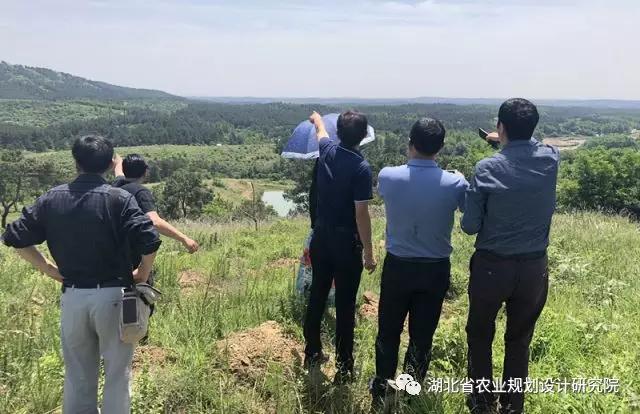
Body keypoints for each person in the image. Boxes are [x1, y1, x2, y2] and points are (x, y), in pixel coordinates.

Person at [2, 135, 161, 414]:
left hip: (73, 296)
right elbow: (150, 238)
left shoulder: (52, 198)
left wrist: (50, 269)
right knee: (117, 374)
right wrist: (142, 273)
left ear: (76, 163)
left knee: (78, 377)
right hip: (115, 297)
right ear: (111, 164)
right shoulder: (120, 198)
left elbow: (14, 237)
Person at [461, 98, 560, 414]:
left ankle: (481, 402)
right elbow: (535, 146)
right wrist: (506, 140)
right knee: (519, 340)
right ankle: (512, 405)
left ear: (500, 126)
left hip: (491, 267)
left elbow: (469, 226)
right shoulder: (550, 159)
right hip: (533, 269)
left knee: (480, 334)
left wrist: (501, 144)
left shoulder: (487, 168)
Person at [369, 118, 469, 408]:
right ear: (441, 147)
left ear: (410, 143)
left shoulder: (388, 176)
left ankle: (382, 391)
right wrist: (460, 177)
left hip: (398, 267)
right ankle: (409, 395)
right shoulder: (455, 183)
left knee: (388, 332)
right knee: (422, 337)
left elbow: (383, 193)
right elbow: (468, 209)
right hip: (435, 269)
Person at [303, 110, 377, 384]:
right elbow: (361, 215)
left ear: (339, 133)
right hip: (346, 245)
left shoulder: (327, 151)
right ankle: (344, 368)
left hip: (321, 239)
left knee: (317, 295)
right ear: (363, 135)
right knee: (346, 306)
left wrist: (316, 118)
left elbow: (320, 131)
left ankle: (312, 353)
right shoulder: (361, 167)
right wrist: (368, 252)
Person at [113, 153, 199, 258]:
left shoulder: (116, 185)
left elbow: (118, 170)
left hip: (111, 246)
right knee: (151, 236)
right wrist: (184, 239)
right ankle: (143, 269)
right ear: (145, 172)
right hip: (129, 253)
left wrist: (117, 158)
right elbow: (154, 221)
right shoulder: (141, 192)